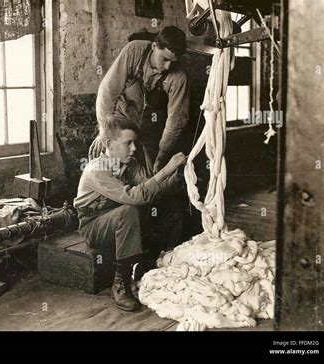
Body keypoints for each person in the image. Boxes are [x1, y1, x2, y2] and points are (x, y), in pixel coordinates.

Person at [74, 115, 186, 311]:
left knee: (170, 207)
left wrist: (176, 178)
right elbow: (136, 197)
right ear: (109, 144)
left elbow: (151, 190)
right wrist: (166, 170)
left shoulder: (130, 164)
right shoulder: (96, 170)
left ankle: (150, 265)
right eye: (128, 143)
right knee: (129, 211)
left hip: (122, 221)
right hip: (94, 226)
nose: (134, 148)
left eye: (134, 142)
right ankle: (121, 284)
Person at [90, 25, 189, 176]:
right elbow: (108, 92)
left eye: (173, 62)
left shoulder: (179, 77)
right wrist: (104, 132)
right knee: (108, 162)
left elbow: (176, 121)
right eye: (165, 59)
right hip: (124, 118)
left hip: (153, 126)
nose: (168, 66)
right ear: (154, 46)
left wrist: (161, 155)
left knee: (152, 174)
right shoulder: (134, 51)